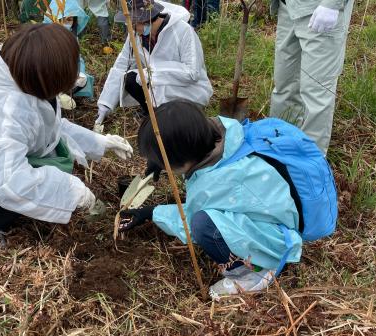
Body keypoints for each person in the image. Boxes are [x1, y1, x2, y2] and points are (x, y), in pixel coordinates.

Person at [0, 24, 133, 256]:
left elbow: (49, 128)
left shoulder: (23, 83)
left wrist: (99, 142)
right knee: (28, 174)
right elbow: (8, 183)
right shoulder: (7, 109)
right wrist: (70, 190)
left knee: (40, 169)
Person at [118, 100, 302, 299]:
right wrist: (161, 161)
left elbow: (188, 222)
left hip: (277, 238)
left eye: (165, 162)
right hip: (279, 213)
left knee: (203, 224)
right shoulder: (226, 137)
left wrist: (151, 212)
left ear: (181, 157)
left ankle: (252, 273)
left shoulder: (214, 183)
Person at [94, 0, 213, 131]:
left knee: (160, 90)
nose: (131, 29)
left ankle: (174, 118)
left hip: (187, 89)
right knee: (130, 79)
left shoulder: (183, 31)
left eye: (134, 24)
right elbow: (121, 64)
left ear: (147, 20)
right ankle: (152, 114)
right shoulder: (136, 34)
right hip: (157, 87)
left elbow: (192, 72)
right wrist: (105, 105)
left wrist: (152, 73)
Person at [269, 0, 354, 154]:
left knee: (316, 94)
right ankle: (279, 148)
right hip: (289, 7)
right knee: (284, 86)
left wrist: (332, 4)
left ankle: (310, 164)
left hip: (320, 9)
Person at [44, 0, 95, 105]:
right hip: (48, 76)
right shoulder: (45, 37)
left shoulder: (72, 37)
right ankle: (53, 97)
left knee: (83, 80)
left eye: (69, 20)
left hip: (66, 76)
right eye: (61, 20)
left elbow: (77, 59)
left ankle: (63, 95)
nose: (65, 24)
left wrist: (79, 73)